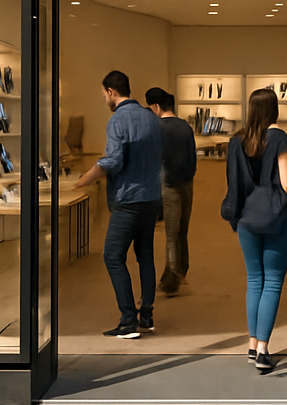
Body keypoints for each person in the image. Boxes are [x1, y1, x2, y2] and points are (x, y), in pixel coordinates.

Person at [75, 70, 162, 339]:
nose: (105, 100)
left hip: (128, 200)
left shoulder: (118, 120)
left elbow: (112, 161)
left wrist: (84, 179)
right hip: (151, 198)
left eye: (104, 95)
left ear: (112, 92)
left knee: (113, 256)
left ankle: (128, 321)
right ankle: (146, 316)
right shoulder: (151, 117)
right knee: (144, 255)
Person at [220, 88, 287, 373]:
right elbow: (286, 181)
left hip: (247, 217)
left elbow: (234, 184)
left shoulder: (237, 140)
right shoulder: (278, 137)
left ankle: (252, 344)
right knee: (274, 281)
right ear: (274, 109)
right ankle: (265, 348)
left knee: (254, 280)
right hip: (276, 215)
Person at [144, 87, 197, 296]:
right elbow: (193, 158)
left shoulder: (157, 128)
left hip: (168, 185)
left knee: (171, 234)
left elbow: (154, 161)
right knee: (182, 231)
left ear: (156, 106)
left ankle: (172, 278)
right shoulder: (185, 127)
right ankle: (181, 270)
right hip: (187, 183)